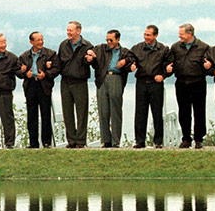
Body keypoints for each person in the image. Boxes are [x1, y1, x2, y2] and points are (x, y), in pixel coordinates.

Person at [166, 23, 210, 149]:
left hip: (198, 82)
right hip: (181, 82)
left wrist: (208, 67)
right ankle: (186, 138)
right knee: (184, 112)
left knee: (199, 111)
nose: (179, 36)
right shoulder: (175, 47)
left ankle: (199, 139)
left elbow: (209, 64)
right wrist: (168, 68)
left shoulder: (203, 47)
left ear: (190, 34)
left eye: (182, 34)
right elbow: (170, 62)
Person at [85, 29, 130, 148]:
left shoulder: (124, 52)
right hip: (102, 79)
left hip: (116, 78)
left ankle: (116, 141)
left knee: (116, 111)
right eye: (107, 40)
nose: (109, 42)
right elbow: (90, 54)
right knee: (103, 111)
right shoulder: (101, 49)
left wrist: (125, 62)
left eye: (111, 40)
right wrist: (90, 56)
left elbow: (132, 59)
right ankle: (106, 140)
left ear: (118, 39)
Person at [128, 25, 170, 148]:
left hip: (156, 83)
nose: (146, 37)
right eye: (145, 34)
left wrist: (163, 75)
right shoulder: (137, 48)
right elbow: (129, 58)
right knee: (140, 113)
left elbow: (170, 65)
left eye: (148, 35)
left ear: (155, 35)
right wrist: (131, 65)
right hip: (141, 82)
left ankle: (158, 141)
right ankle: (140, 141)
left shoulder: (163, 49)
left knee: (157, 113)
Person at [17, 32, 60, 148]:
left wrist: (45, 74)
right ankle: (33, 143)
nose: (41, 42)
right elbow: (17, 71)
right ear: (31, 42)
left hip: (44, 86)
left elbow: (57, 69)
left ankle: (46, 142)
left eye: (42, 39)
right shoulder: (24, 56)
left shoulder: (51, 54)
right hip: (30, 85)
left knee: (46, 114)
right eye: (38, 40)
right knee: (31, 115)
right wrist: (26, 73)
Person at [58, 20, 93, 148]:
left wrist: (90, 59)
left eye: (70, 30)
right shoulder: (63, 45)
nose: (68, 32)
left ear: (78, 31)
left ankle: (81, 141)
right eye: (67, 30)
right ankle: (71, 140)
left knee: (81, 112)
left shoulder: (87, 45)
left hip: (80, 82)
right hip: (65, 82)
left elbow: (93, 63)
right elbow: (59, 63)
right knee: (67, 112)